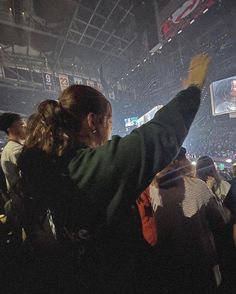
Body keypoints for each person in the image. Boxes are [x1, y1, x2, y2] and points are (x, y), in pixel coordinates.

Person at [16, 54, 209, 293]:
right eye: (109, 121)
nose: (109, 130)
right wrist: (193, 88)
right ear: (92, 122)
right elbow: (157, 137)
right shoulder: (88, 168)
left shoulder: (48, 166)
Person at [137, 147, 231, 293]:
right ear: (179, 162)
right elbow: (221, 220)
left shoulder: (152, 191)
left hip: (169, 273)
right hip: (202, 270)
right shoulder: (197, 187)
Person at [0, 113, 26, 192]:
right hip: (23, 200)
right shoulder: (16, 150)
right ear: (11, 130)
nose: (26, 126)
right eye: (21, 125)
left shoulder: (11, 147)